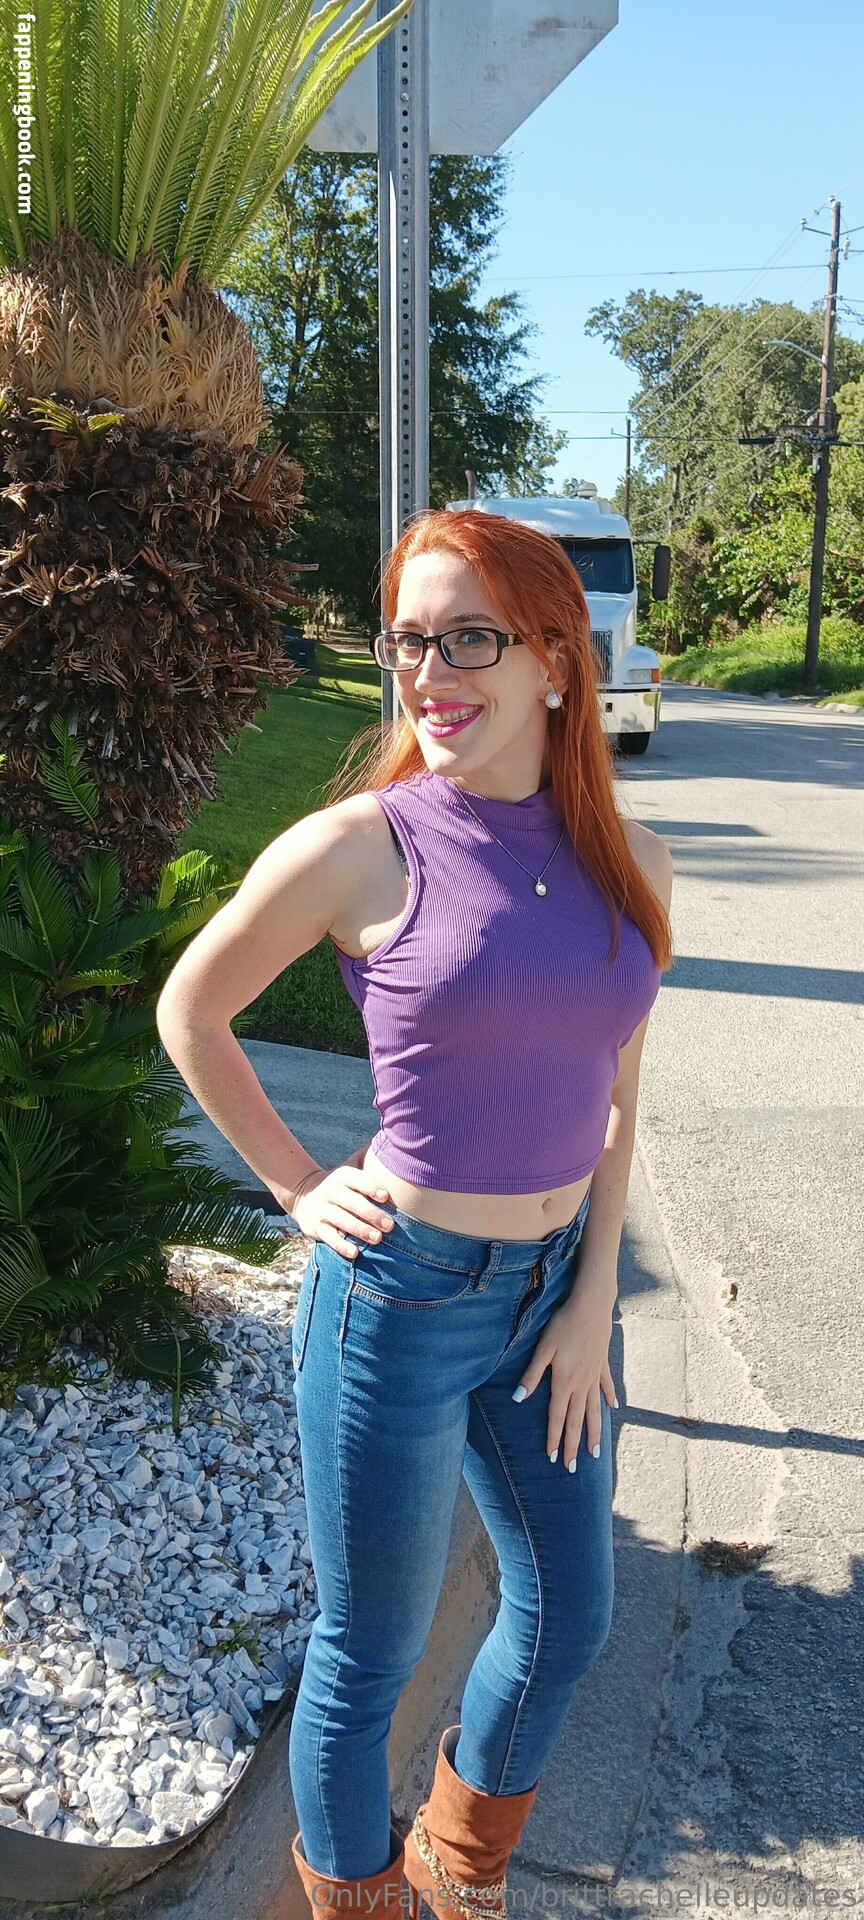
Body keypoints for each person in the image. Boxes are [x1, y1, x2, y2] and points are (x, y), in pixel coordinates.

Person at [155, 508, 674, 1920]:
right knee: (369, 1653)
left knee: (569, 1614)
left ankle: (460, 1860)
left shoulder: (633, 863)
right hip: (398, 1300)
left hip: (552, 1301)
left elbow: (619, 1098)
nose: (429, 675)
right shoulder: (360, 848)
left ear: (557, 661)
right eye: (408, 643)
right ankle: (358, 1898)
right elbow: (192, 1007)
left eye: (468, 640)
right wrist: (297, 1180)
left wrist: (590, 1301)